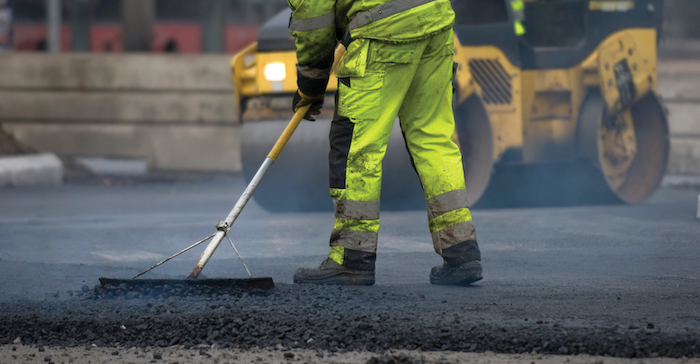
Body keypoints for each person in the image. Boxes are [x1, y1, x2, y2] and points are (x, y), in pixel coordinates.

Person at [289, 0, 482, 286]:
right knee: (433, 139)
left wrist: (311, 82)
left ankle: (353, 257)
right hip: (434, 20)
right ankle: (461, 250)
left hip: (382, 32)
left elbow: (312, 16)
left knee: (358, 148)